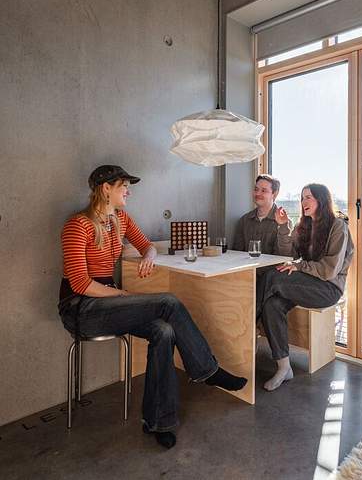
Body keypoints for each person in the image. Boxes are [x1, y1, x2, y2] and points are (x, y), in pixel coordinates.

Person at [58, 165, 247, 449]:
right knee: (168, 302)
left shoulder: (120, 220)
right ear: (106, 188)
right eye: (123, 186)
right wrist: (122, 294)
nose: (128, 192)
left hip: (107, 303)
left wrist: (148, 256)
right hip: (80, 308)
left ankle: (158, 421)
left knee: (164, 331)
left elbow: (148, 246)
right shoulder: (78, 225)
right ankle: (208, 371)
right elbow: (81, 283)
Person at [257, 183, 354, 391]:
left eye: (308, 197)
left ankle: (248, 326)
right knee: (272, 305)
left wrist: (300, 266)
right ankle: (284, 367)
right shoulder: (305, 225)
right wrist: (283, 227)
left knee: (273, 277)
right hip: (306, 284)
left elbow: (329, 270)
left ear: (322, 200)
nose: (303, 202)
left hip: (328, 289)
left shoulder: (338, 226)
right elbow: (288, 255)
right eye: (302, 198)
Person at [232, 174, 292, 255]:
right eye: (256, 189)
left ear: (274, 194)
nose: (258, 193)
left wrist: (283, 226)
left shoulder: (284, 223)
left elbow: (284, 256)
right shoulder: (244, 220)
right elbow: (236, 253)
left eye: (263, 190)